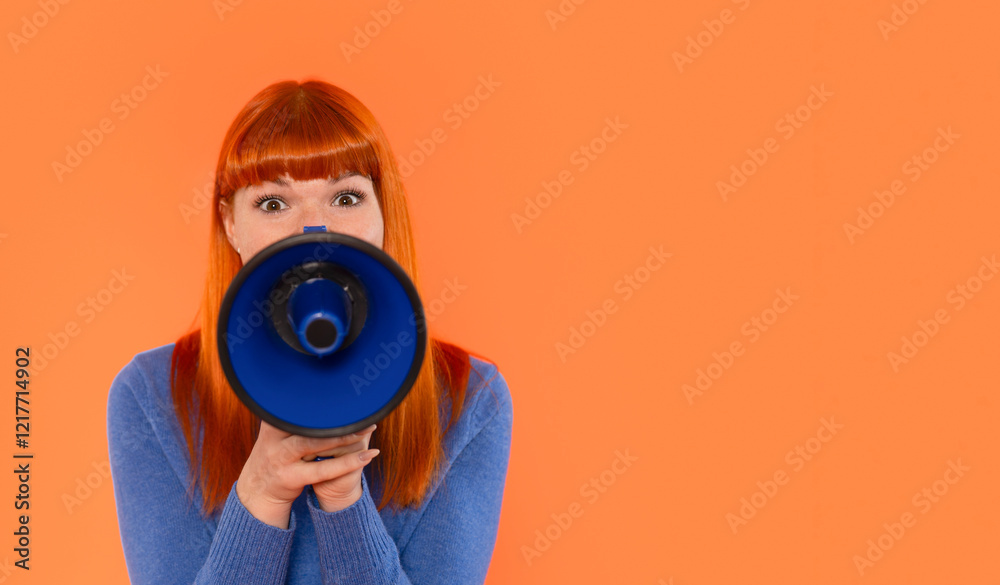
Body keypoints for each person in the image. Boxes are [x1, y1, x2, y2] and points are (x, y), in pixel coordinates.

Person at [106, 79, 514, 584]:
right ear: (230, 224)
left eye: (345, 196)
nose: (313, 228)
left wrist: (344, 498)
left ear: (385, 213)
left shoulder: (470, 398)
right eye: (274, 204)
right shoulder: (153, 395)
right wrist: (261, 493)